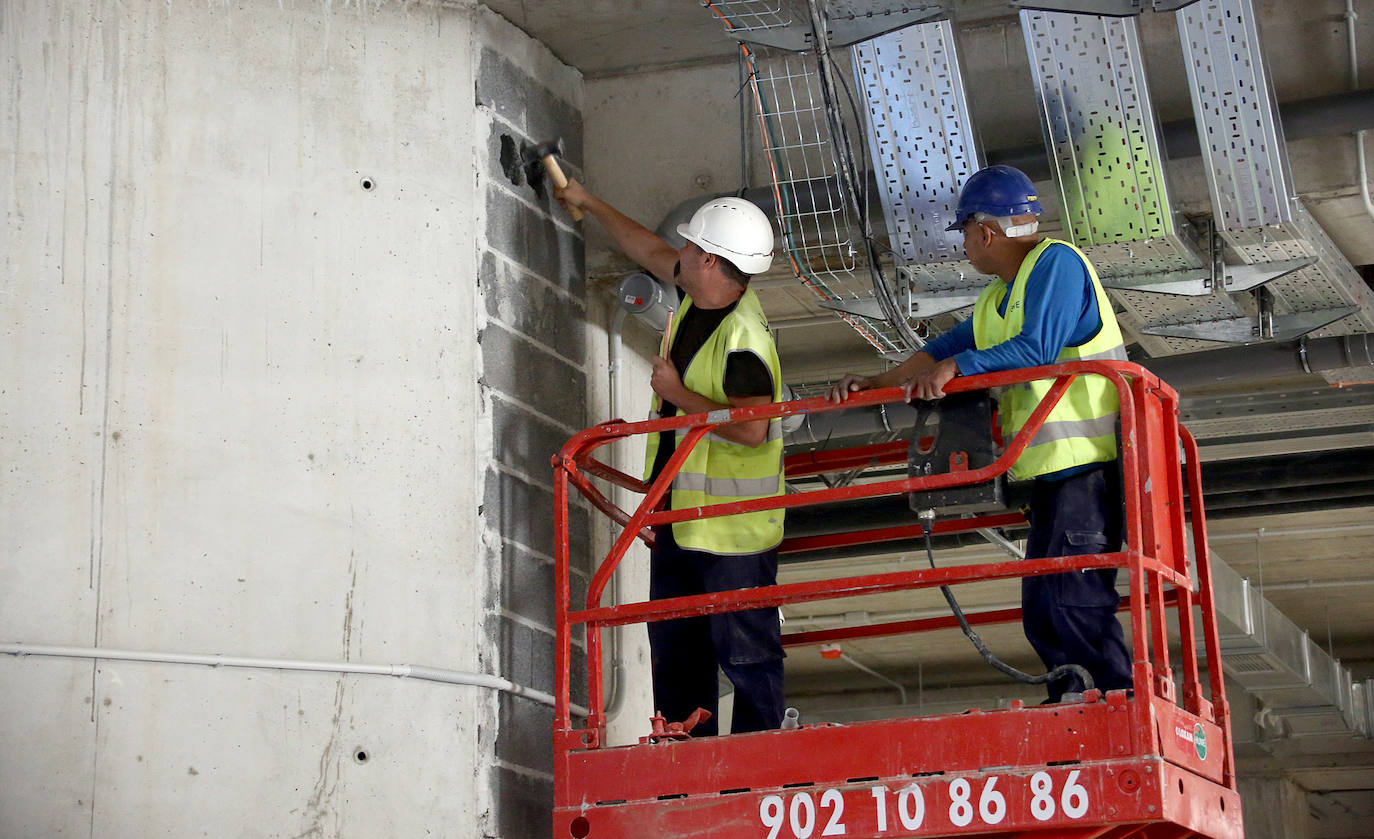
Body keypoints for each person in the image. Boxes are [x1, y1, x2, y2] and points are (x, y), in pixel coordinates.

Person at [828, 165, 1133, 704]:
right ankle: (1072, 699)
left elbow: (1037, 351)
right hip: (1048, 475)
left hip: (1088, 467)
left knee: (1074, 596)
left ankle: (1111, 698)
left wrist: (957, 370)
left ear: (985, 232)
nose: (965, 246)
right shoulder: (999, 299)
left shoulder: (1056, 263)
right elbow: (941, 351)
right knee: (1042, 607)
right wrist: (880, 381)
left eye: (965, 233)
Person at [556, 179, 786, 735]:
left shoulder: (744, 341)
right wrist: (591, 201)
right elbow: (649, 249)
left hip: (732, 531)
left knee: (745, 649)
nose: (676, 252)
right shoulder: (699, 293)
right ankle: (688, 757)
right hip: (678, 517)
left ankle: (759, 763)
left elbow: (753, 430)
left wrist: (679, 395)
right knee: (677, 648)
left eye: (689, 247)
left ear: (709, 259)